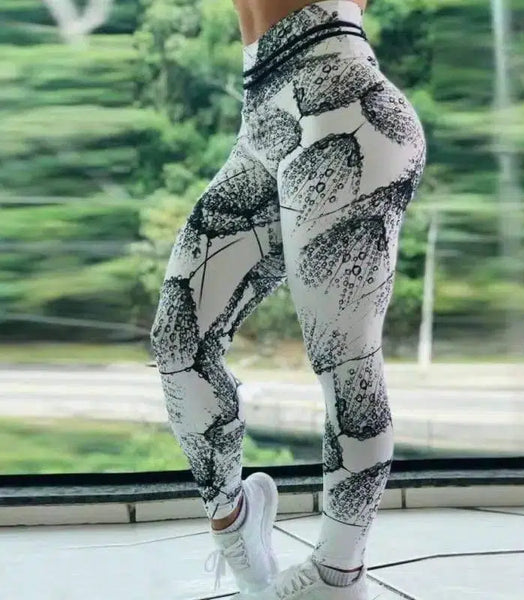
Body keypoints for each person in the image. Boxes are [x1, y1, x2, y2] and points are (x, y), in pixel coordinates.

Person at [149, 0, 426, 598]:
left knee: (345, 359)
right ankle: (234, 523)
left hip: (344, 99)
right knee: (178, 342)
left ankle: (337, 577)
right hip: (263, 116)